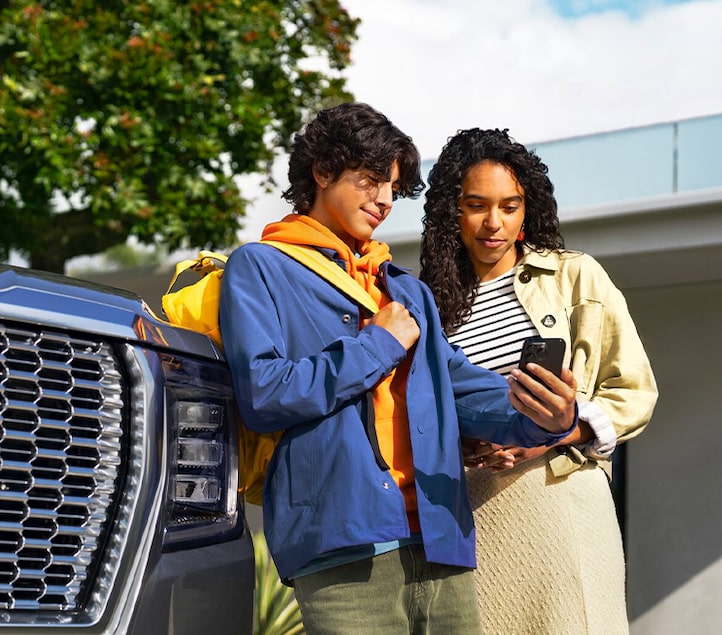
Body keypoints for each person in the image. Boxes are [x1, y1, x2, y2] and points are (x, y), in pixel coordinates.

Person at [218, 102, 579, 634]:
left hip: (441, 537)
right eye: (370, 181)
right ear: (322, 172)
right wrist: (379, 345)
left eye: (392, 187)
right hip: (341, 548)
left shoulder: (406, 291)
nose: (386, 200)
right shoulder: (259, 267)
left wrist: (541, 415)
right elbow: (265, 394)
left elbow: (459, 389)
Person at [419, 128, 659, 634]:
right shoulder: (428, 306)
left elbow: (633, 391)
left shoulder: (576, 277)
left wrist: (556, 431)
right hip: (472, 516)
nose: (494, 223)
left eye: (510, 207)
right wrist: (462, 443)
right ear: (450, 212)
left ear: (527, 211)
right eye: (476, 206)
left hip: (561, 500)